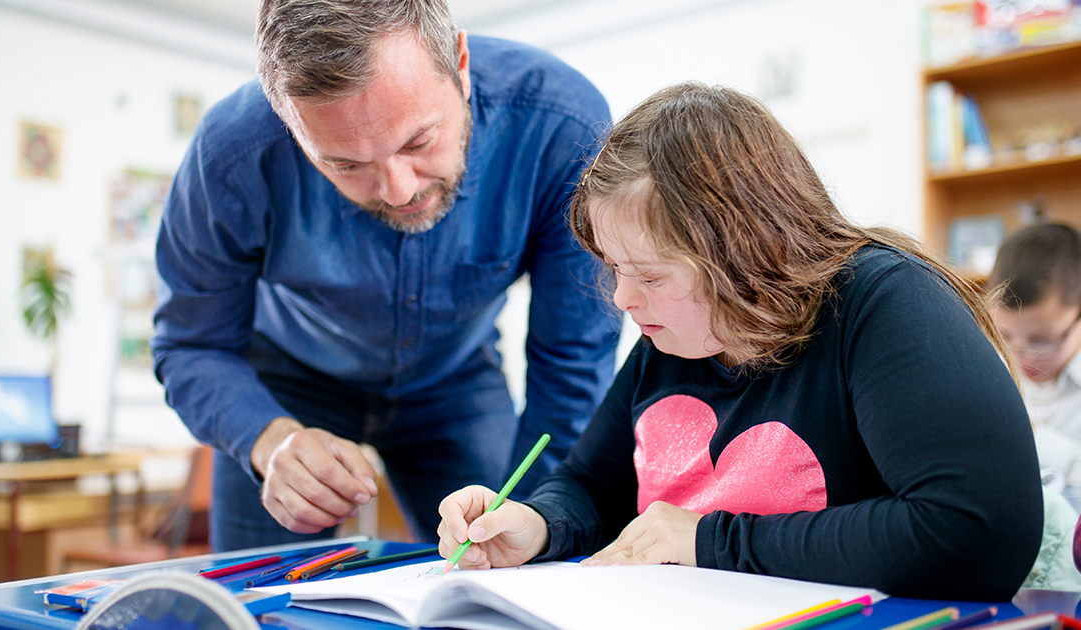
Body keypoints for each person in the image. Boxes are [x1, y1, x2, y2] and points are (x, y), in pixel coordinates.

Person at [436, 83, 1043, 601]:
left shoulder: (881, 305)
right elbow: (593, 485)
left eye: (649, 275)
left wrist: (704, 540)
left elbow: (975, 534)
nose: (622, 299)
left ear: (750, 252)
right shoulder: (673, 338)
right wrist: (539, 523)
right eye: (613, 267)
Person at [151, 0, 622, 551]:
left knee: (512, 565)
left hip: (455, 379)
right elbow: (190, 344)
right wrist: (266, 437)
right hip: (286, 383)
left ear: (461, 65)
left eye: (418, 141)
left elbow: (573, 358)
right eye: (346, 164)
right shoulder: (230, 156)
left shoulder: (562, 128)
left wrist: (541, 519)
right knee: (256, 600)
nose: (399, 191)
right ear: (290, 126)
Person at [990, 223, 1081, 486]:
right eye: (1004, 336)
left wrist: (1031, 434)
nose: (1021, 356)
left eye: (1041, 341)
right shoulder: (986, 362)